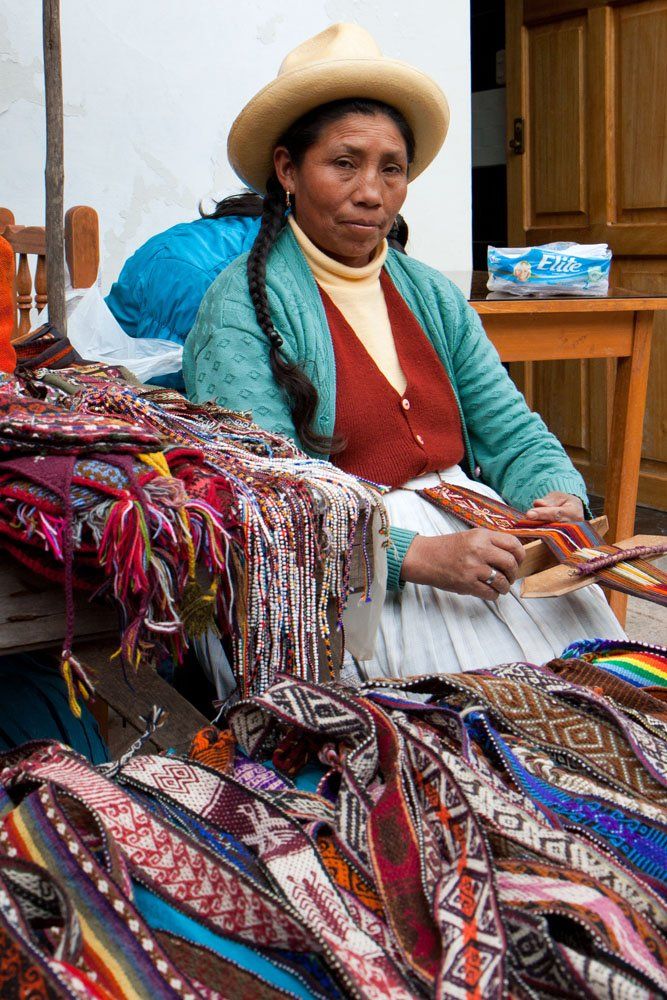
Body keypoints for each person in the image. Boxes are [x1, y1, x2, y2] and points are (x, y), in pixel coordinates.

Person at [183, 23, 624, 678]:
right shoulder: (241, 308)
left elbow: (510, 432)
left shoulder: (429, 296)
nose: (371, 191)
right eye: (343, 163)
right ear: (287, 169)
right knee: (466, 741)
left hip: (469, 541)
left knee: (612, 695)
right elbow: (260, 501)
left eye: (390, 168)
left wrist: (554, 496)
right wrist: (412, 559)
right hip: (336, 576)